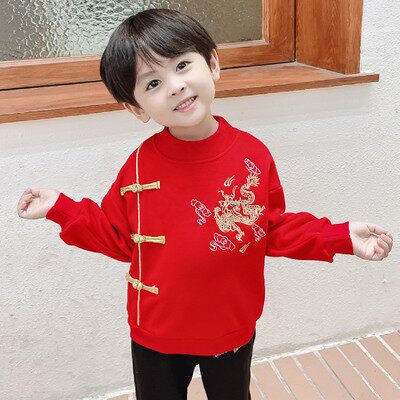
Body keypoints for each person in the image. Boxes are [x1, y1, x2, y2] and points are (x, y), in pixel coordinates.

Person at [17, 8, 394, 400]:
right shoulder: (139, 166)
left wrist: (340, 236)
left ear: (213, 63)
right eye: (153, 83)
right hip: (156, 331)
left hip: (229, 327)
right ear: (136, 108)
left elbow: (270, 228)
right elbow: (118, 239)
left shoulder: (252, 156)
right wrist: (60, 207)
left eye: (182, 65)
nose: (176, 86)